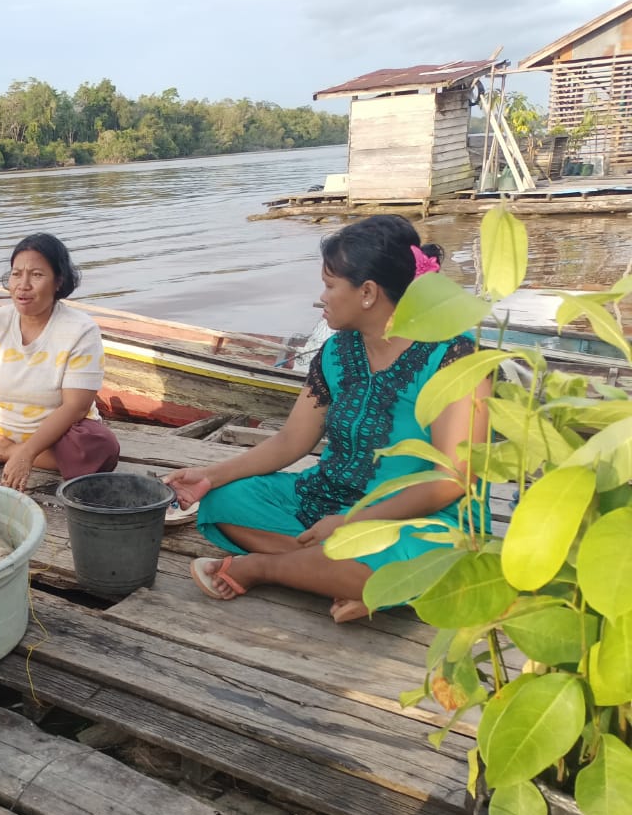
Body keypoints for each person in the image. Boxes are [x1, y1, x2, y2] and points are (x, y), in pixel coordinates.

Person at [165, 215, 489, 624]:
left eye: (330, 285)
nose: (321, 298)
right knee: (225, 502)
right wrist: (212, 475)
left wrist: (353, 523)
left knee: (425, 555)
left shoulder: (453, 357)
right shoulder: (337, 352)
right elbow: (290, 442)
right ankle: (345, 580)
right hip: (329, 499)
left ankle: (266, 569)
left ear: (368, 293)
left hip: (421, 518)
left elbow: (452, 479)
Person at [0, 233, 119, 490]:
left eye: (36, 275)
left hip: (57, 436)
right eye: (16, 274)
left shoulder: (80, 330)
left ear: (58, 281)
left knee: (100, 447)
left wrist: (25, 454)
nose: (23, 285)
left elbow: (75, 407)